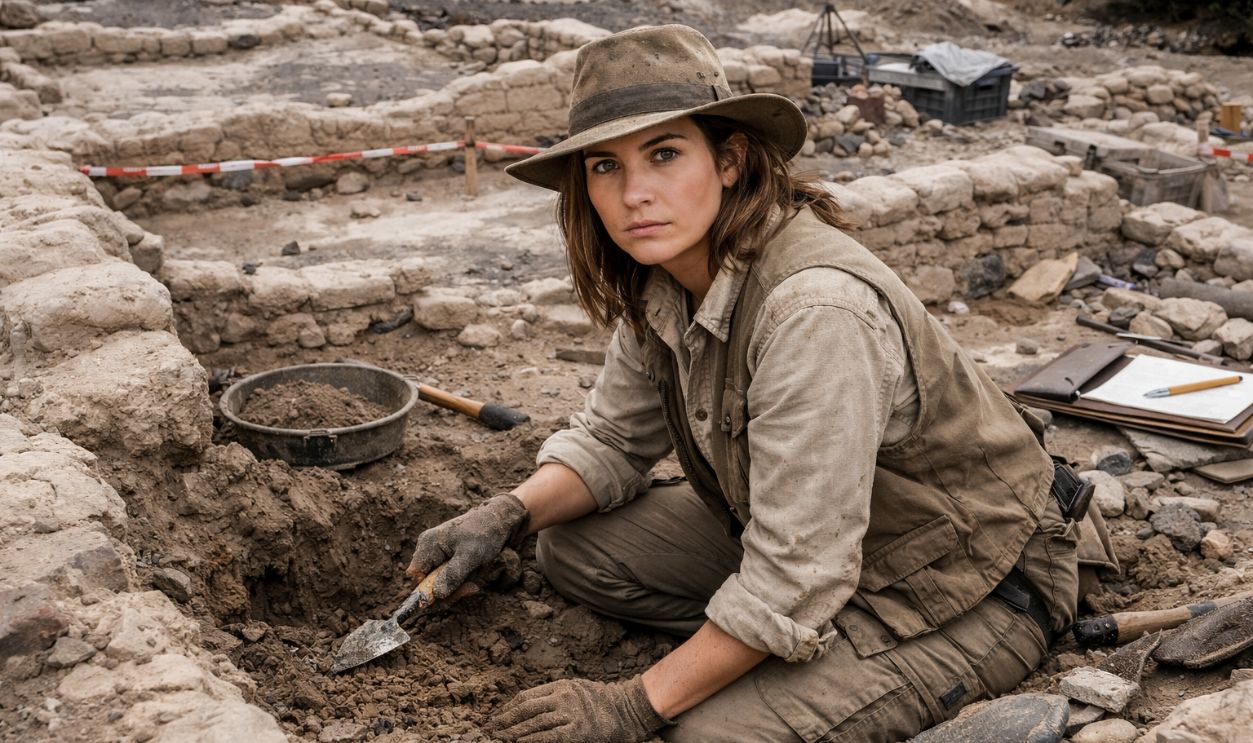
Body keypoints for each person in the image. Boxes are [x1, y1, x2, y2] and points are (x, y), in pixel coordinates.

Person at [407, 24, 1083, 743]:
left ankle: (826, 650)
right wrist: (506, 514)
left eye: (664, 154)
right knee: (568, 546)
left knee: (700, 732)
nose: (634, 193)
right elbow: (612, 437)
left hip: (965, 581)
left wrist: (630, 703)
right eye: (605, 167)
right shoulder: (665, 280)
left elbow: (797, 571)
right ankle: (773, 641)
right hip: (822, 549)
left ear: (729, 161)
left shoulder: (813, 312)